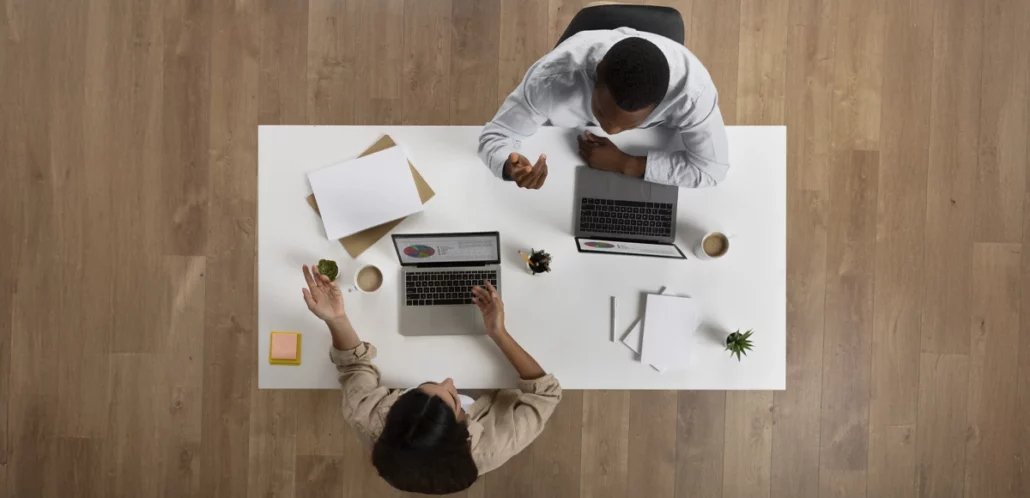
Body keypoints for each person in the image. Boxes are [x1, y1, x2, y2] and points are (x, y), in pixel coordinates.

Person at [300, 264, 562, 495]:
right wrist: (499, 333)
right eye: (452, 396)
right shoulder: (491, 449)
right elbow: (546, 394)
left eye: (427, 386)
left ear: (394, 409)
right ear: (463, 424)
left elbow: (354, 365)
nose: (450, 380)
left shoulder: (365, 415)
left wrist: (335, 319)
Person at [478, 29, 730, 190]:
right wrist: (509, 168)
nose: (610, 130)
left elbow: (712, 170)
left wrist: (627, 163)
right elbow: (496, 136)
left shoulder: (693, 94)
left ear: (662, 102)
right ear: (596, 73)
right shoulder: (552, 78)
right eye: (601, 112)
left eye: (630, 125)